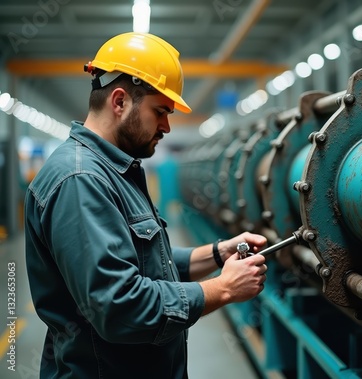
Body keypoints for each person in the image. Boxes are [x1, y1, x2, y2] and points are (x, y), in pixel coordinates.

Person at [24, 32, 268, 379]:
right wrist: (223, 288)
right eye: (161, 112)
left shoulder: (115, 170)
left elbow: (147, 262)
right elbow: (120, 307)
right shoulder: (80, 180)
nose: (167, 126)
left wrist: (217, 253)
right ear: (119, 102)